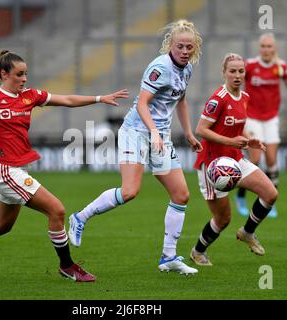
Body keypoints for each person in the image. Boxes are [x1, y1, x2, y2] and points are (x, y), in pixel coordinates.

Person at [0, 50, 129, 282]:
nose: (24, 79)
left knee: (1, 226)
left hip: (17, 170)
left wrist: (99, 98)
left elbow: (67, 100)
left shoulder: (31, 96)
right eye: (19, 74)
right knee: (57, 210)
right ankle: (67, 266)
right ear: (4, 74)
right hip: (6, 171)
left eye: (26, 74)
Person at [68, 19, 203, 275]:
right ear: (170, 45)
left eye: (189, 47)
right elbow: (141, 103)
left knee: (181, 195)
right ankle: (80, 217)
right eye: (180, 46)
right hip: (136, 132)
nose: (185, 51)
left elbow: (181, 99)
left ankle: (168, 258)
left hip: (159, 135)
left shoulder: (187, 69)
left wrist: (187, 132)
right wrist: (153, 132)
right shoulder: (160, 67)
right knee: (130, 191)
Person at [189, 53, 278, 266]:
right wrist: (231, 142)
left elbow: (235, 132)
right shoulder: (218, 99)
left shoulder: (245, 98)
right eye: (232, 71)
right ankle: (198, 251)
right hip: (212, 165)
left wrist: (249, 142)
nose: (237, 75)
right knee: (223, 220)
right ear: (224, 73)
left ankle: (247, 232)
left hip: (234, 159)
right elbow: (201, 130)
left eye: (240, 71)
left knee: (270, 193)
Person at [235, 33, 287, 218]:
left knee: (272, 160)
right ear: (260, 48)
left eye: (269, 47)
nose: (266, 50)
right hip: (252, 117)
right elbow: (233, 81)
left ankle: (269, 201)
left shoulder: (280, 67)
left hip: (271, 118)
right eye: (263, 46)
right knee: (256, 158)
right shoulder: (249, 65)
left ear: (275, 49)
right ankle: (241, 197)